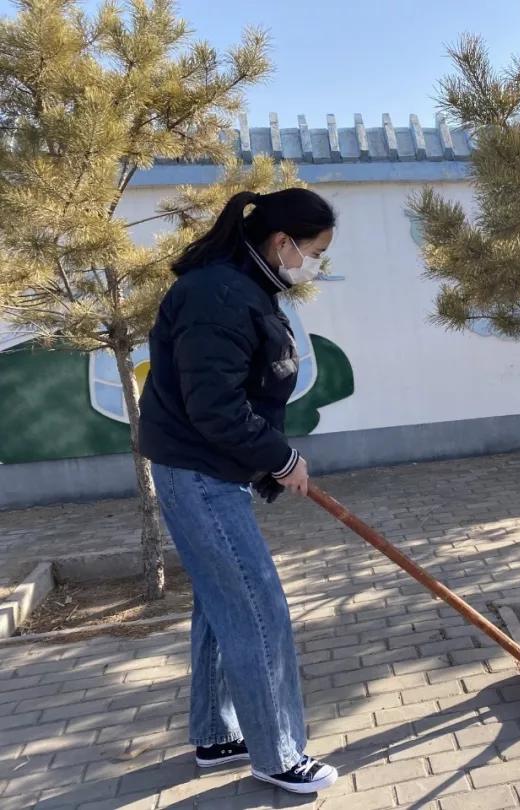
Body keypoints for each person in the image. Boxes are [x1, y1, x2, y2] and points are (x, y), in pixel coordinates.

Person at [139, 188, 338, 794]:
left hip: (210, 470)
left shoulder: (239, 287)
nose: (313, 265)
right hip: (198, 474)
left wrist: (268, 460)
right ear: (281, 242)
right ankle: (279, 755)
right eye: (314, 252)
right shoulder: (219, 295)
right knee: (256, 607)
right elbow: (215, 407)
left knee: (221, 604)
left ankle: (216, 734)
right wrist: (281, 459)